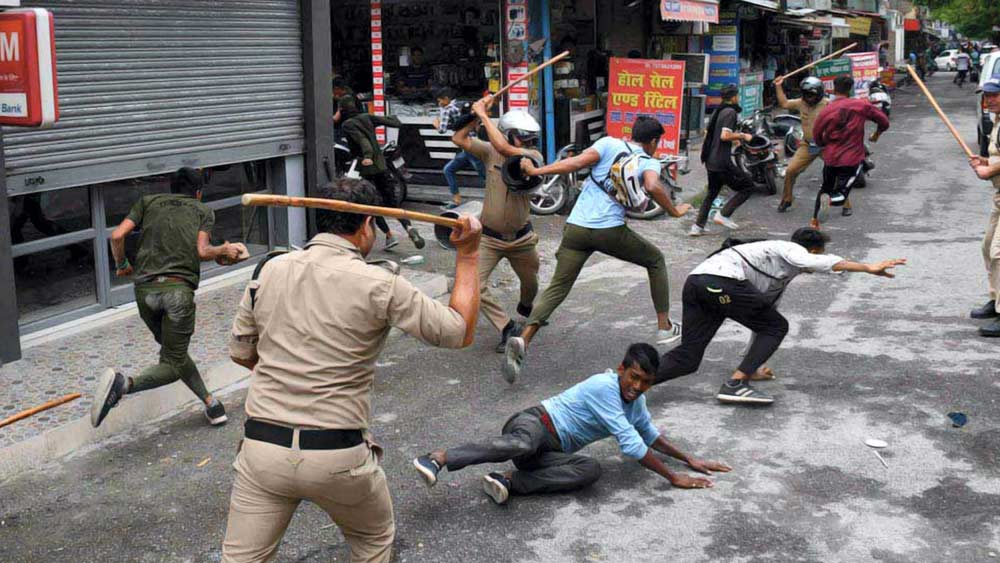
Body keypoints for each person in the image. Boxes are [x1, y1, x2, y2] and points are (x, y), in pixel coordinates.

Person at [220, 178, 483, 563]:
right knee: (373, 542)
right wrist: (470, 257)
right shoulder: (382, 283)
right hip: (337, 455)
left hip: (263, 450)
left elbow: (242, 353)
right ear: (365, 228)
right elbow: (458, 331)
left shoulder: (269, 272)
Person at [412, 343, 731, 504]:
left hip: (552, 451)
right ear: (622, 369)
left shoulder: (637, 400)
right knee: (523, 443)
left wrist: (689, 458)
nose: (637, 386)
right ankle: (439, 457)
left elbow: (648, 434)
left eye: (646, 382)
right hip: (535, 424)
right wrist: (673, 477)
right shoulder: (604, 386)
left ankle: (508, 480)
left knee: (591, 470)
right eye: (633, 377)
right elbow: (632, 445)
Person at [506, 117, 693, 382]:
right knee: (655, 260)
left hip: (575, 230)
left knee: (558, 287)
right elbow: (652, 185)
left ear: (631, 133)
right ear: (653, 142)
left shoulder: (607, 143)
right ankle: (664, 326)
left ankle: (524, 339)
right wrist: (674, 210)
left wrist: (537, 172)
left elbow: (576, 163)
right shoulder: (648, 161)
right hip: (608, 231)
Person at [654, 228, 906, 405]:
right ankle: (734, 385)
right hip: (720, 280)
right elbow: (822, 263)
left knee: (688, 358)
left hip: (698, 282)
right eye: (815, 254)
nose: (811, 264)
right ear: (813, 250)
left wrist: (750, 366)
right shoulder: (791, 249)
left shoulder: (774, 272)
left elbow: (762, 323)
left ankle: (630, 384)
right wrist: (867, 268)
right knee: (777, 326)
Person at [92, 168, 245, 428]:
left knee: (174, 353)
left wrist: (122, 264)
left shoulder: (147, 202)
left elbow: (117, 236)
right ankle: (124, 385)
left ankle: (211, 404)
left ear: (172, 187)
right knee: (173, 363)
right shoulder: (202, 210)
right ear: (198, 193)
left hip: (145, 292)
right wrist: (224, 250)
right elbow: (202, 250)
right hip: (177, 293)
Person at [451, 96, 543, 353]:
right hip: (489, 238)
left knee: (531, 284)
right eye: (522, 137)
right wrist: (475, 115)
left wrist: (483, 115)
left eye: (530, 138)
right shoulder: (489, 151)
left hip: (522, 239)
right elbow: (458, 139)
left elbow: (504, 148)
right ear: (508, 133)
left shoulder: (532, 157)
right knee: (472, 284)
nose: (529, 143)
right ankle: (507, 326)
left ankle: (525, 307)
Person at [338, 95, 425, 250]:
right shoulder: (367, 117)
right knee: (392, 202)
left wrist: (367, 156)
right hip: (381, 166)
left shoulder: (347, 124)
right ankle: (409, 228)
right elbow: (395, 122)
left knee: (372, 205)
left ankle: (389, 235)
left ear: (343, 109)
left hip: (366, 169)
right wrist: (390, 117)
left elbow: (363, 141)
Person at [810, 76, 890, 228]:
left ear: (834, 89)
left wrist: (824, 145)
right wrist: (877, 134)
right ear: (851, 89)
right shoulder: (861, 105)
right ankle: (831, 201)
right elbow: (884, 122)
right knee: (841, 194)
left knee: (825, 188)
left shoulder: (827, 109)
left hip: (831, 157)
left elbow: (816, 133)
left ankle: (814, 222)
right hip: (851, 158)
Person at [690, 84, 755, 236]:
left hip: (710, 161)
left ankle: (698, 226)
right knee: (748, 187)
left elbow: (710, 134)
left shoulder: (717, 111)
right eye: (737, 96)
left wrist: (734, 140)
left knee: (712, 193)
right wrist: (742, 136)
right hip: (721, 162)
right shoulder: (730, 112)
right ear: (733, 97)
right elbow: (724, 136)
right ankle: (723, 214)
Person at [968, 75, 1000, 336]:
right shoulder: (996, 122)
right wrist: (983, 160)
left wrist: (988, 170)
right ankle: (996, 300)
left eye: (993, 95)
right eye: (986, 95)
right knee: (988, 247)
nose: (988, 100)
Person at [775, 76, 829, 212]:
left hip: (826, 146)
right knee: (790, 171)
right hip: (807, 144)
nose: (809, 98)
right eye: (806, 95)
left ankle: (846, 203)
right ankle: (787, 199)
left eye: (812, 95)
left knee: (837, 173)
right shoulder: (801, 103)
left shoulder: (829, 104)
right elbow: (784, 104)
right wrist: (778, 86)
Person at [437, 87, 485, 210]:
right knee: (449, 169)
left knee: (486, 176)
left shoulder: (447, 109)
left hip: (471, 147)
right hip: (470, 146)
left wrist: (436, 124)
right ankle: (456, 199)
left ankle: (498, 199)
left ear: (446, 99)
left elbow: (442, 129)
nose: (439, 104)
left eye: (440, 101)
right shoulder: (460, 105)